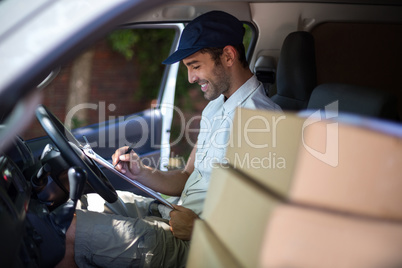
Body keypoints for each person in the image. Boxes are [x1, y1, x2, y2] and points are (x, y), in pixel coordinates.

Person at [57, 10, 282, 268]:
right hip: (171, 212)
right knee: (74, 205)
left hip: (195, 242)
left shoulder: (263, 121)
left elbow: (260, 223)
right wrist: (140, 172)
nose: (191, 78)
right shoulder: (216, 107)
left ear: (228, 56)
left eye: (195, 66)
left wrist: (198, 230)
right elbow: (186, 177)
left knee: (66, 232)